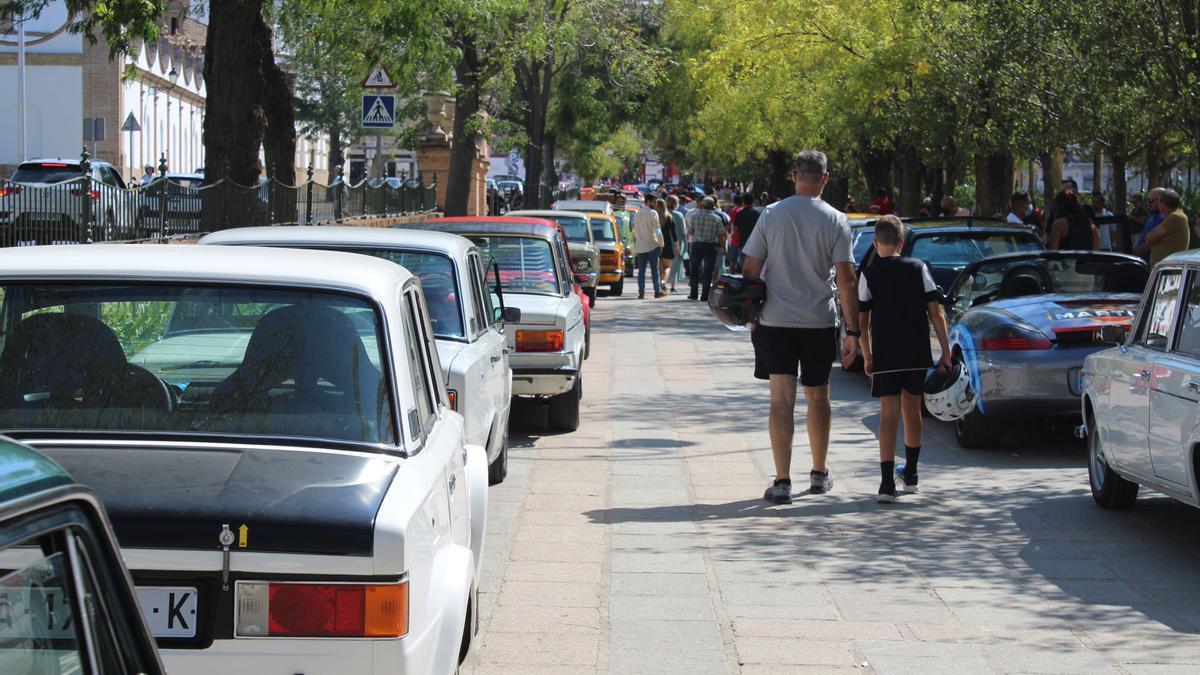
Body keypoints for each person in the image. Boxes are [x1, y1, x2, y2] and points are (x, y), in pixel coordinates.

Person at [742, 150, 859, 504]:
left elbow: (750, 269)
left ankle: (781, 481)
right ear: (825, 178)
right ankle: (820, 474)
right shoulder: (837, 219)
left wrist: (751, 314)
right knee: (819, 395)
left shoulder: (772, 215)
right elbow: (847, 278)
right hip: (819, 320)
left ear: (794, 176)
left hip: (775, 320)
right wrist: (853, 331)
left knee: (781, 398)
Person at [858, 215, 951, 503]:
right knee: (912, 411)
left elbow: (863, 319)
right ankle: (910, 474)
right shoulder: (918, 267)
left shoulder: (869, 274)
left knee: (888, 416)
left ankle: (887, 484)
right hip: (916, 351)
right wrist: (945, 353)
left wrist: (867, 353)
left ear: (875, 243)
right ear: (901, 242)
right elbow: (936, 313)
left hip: (886, 353)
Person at [1134, 188, 1190, 265]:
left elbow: (1149, 238)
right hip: (1164, 267)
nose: (1148, 203)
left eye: (1151, 200)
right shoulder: (1171, 217)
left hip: (1168, 268)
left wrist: (1154, 240)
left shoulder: (1175, 217)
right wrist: (1159, 239)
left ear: (1163, 203)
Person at [684, 196, 725, 301]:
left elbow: (691, 231)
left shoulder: (695, 216)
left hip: (697, 245)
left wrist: (690, 234)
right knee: (708, 271)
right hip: (710, 246)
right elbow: (720, 235)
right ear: (713, 206)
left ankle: (693, 294)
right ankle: (705, 295)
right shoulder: (717, 218)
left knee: (694, 269)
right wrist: (724, 248)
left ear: (702, 205)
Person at [633, 192, 666, 299]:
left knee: (641, 271)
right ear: (648, 202)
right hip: (652, 244)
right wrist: (661, 244)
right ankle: (657, 291)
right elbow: (657, 230)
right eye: (654, 202)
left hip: (641, 245)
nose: (656, 204)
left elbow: (635, 230)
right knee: (654, 270)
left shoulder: (638, 213)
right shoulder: (653, 213)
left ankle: (641, 292)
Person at [732, 193, 760, 271]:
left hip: (743, 242)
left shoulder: (739, 214)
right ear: (753, 201)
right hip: (755, 242)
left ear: (743, 202)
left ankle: (744, 279)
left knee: (743, 263)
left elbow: (735, 229)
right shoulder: (757, 214)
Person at [666, 195, 688, 292]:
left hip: (665, 243)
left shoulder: (663, 214)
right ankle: (673, 286)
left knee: (664, 265)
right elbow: (684, 232)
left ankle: (662, 283)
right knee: (675, 266)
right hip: (677, 244)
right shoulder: (679, 215)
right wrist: (686, 244)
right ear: (676, 204)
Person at [1134, 187, 1167, 254]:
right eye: (1147, 200)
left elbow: (1152, 243)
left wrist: (1135, 252)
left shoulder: (1164, 219)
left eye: (1151, 200)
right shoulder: (1152, 218)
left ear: (1162, 201)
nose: (1148, 203)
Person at [655, 197, 677, 289]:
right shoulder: (669, 217)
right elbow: (674, 234)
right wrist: (677, 246)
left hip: (656, 243)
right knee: (667, 267)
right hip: (667, 244)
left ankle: (660, 281)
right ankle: (663, 281)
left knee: (659, 266)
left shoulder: (655, 217)